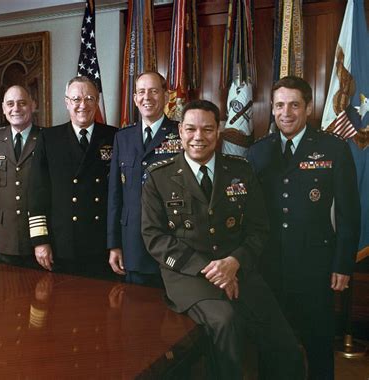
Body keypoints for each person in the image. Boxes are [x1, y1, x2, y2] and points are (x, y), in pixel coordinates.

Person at [141, 99, 304, 380]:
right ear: (180, 131)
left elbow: (258, 228)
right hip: (188, 276)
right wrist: (211, 270)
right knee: (225, 322)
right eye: (191, 129)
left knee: (284, 341)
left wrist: (234, 262)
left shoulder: (240, 170)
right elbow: (154, 237)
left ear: (218, 131)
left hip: (238, 270)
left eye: (207, 129)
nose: (198, 137)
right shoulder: (159, 177)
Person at [247, 76, 361, 379]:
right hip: (269, 265)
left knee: (319, 344)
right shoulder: (258, 152)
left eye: (294, 105)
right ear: (272, 108)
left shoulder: (333, 149)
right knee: (270, 345)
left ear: (308, 108)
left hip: (316, 266)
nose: (286, 112)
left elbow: (350, 213)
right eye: (280, 105)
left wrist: (343, 265)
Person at [28, 76, 116, 276]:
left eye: (89, 99)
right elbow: (36, 194)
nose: (82, 105)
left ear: (97, 102)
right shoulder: (49, 138)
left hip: (101, 243)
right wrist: (40, 241)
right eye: (76, 99)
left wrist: (116, 242)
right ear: (67, 102)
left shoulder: (114, 136)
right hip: (62, 244)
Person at [107, 71, 181, 286]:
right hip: (133, 243)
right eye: (141, 92)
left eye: (154, 91)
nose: (146, 97)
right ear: (135, 98)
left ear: (166, 97)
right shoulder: (123, 137)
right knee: (134, 312)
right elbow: (115, 195)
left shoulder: (181, 133)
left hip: (171, 240)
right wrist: (114, 245)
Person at [0, 85, 41, 268]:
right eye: (10, 104)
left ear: (33, 105)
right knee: (5, 292)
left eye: (22, 103)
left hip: (37, 237)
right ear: (3, 108)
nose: (16, 109)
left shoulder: (46, 138)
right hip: (3, 236)